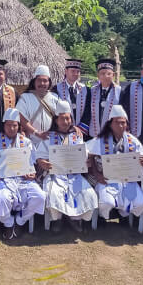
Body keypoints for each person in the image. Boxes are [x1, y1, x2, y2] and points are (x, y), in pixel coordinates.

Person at [0, 107, 45, 239]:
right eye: (8, 125)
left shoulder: (26, 142)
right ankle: (8, 224)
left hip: (23, 180)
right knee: (3, 198)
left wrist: (32, 173)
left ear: (19, 126)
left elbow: (32, 163)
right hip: (4, 180)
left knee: (40, 196)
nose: (11, 128)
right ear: (3, 126)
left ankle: (20, 221)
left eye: (14, 125)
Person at [34, 99, 98, 232]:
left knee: (89, 194)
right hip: (55, 175)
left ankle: (76, 219)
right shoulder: (48, 137)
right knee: (53, 193)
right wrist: (41, 162)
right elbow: (38, 155)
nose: (65, 122)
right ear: (56, 120)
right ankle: (56, 220)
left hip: (74, 175)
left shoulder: (77, 137)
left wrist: (87, 161)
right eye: (62, 119)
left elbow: (85, 154)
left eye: (68, 119)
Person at [87, 105, 143, 222]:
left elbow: (142, 157)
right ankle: (102, 216)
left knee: (140, 203)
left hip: (127, 180)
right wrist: (97, 174)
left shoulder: (133, 140)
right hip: (106, 179)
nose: (121, 126)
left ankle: (123, 214)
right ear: (110, 124)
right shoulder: (100, 140)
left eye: (123, 123)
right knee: (106, 202)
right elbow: (91, 157)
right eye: (117, 123)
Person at [17, 65, 61, 146]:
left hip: (51, 141)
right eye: (39, 80)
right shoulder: (25, 97)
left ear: (49, 82)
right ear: (34, 82)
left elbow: (61, 116)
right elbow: (21, 118)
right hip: (31, 141)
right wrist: (37, 133)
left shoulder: (55, 97)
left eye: (45, 81)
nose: (42, 83)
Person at [81, 58, 121, 139]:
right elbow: (87, 112)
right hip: (94, 134)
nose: (106, 76)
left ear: (113, 75)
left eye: (109, 74)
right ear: (98, 75)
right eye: (102, 73)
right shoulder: (92, 91)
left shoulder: (119, 91)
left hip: (113, 135)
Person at [53, 59, 90, 130]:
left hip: (82, 131)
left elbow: (88, 111)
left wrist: (80, 128)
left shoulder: (85, 89)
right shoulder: (56, 89)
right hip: (63, 129)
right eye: (73, 71)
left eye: (78, 72)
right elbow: (55, 111)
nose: (75, 74)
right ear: (66, 71)